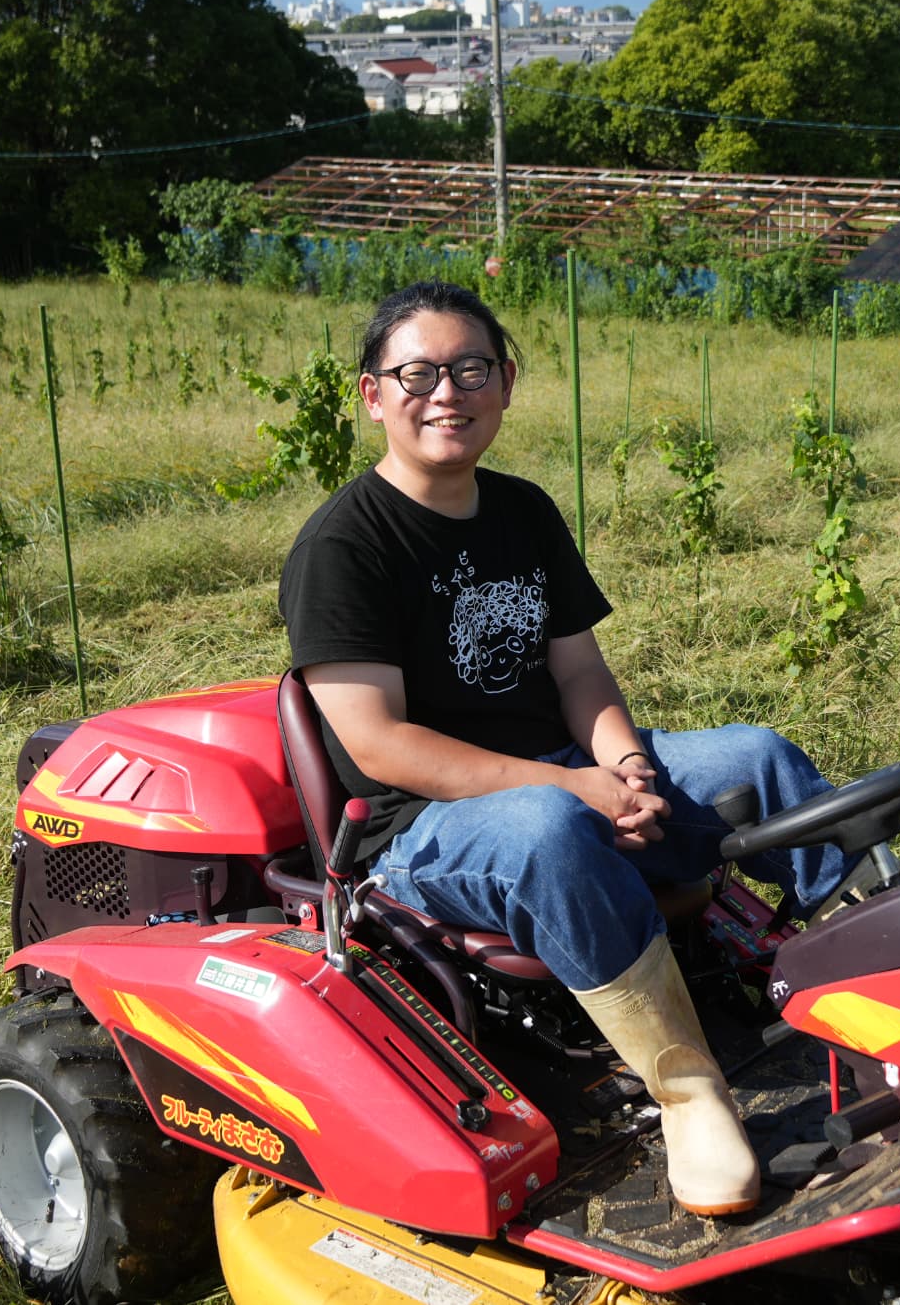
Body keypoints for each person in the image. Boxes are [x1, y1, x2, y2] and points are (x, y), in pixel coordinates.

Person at [279, 280, 854, 1217]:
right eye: (418, 374)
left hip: (566, 772)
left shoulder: (523, 511)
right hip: (425, 833)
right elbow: (380, 745)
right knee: (549, 827)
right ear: (373, 395)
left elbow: (581, 673)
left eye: (470, 368)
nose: (447, 392)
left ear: (505, 383)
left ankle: (883, 984)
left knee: (756, 756)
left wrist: (625, 766)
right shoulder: (344, 546)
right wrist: (579, 791)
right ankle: (689, 1092)